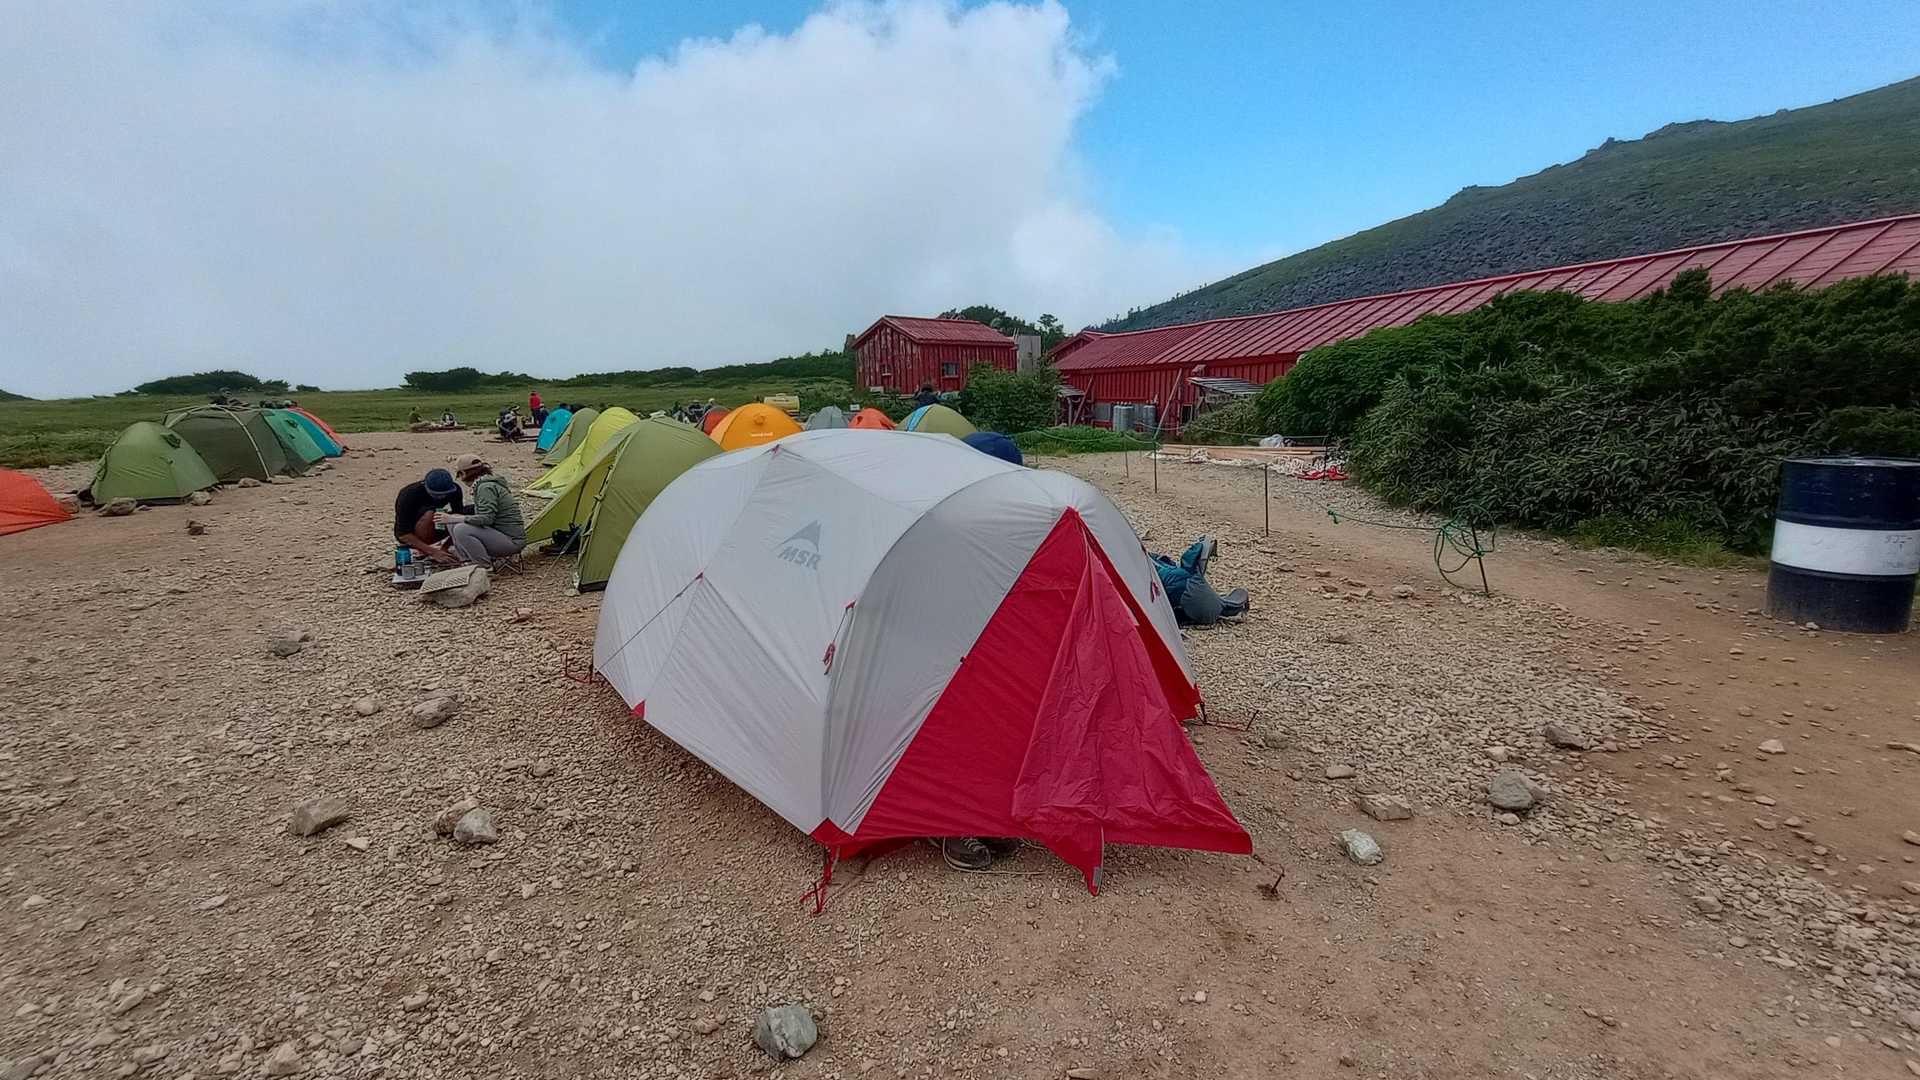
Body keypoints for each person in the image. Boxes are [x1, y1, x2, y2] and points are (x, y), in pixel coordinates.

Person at [437, 454, 527, 567]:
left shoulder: (485, 488)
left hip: (511, 541)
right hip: (500, 534)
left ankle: (483, 566)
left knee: (461, 528)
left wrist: (455, 518)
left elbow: (487, 519)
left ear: (463, 473)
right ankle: (466, 561)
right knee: (453, 522)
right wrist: (454, 519)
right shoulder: (484, 484)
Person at [393, 468, 467, 566]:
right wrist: (433, 552)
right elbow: (403, 534)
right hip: (413, 532)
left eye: (444, 494)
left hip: (435, 527)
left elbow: (459, 516)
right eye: (436, 494)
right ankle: (423, 546)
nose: (441, 497)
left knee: (468, 514)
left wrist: (445, 548)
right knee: (429, 514)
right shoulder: (409, 495)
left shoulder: (455, 490)